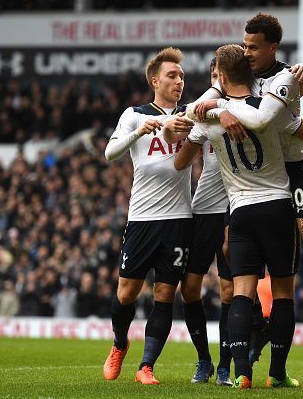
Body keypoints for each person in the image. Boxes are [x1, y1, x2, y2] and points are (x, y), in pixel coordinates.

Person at [194, 13, 303, 358]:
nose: (247, 51)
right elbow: (200, 104)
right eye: (244, 45)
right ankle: (258, 323)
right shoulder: (240, 76)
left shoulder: (286, 77)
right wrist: (218, 109)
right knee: (228, 248)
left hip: (291, 166)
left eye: (253, 46)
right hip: (255, 174)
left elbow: (292, 124)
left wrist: (222, 107)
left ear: (273, 47)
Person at [174, 44, 303, 389]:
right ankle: (277, 373)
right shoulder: (270, 108)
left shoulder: (209, 118)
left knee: (241, 292)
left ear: (221, 78)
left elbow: (182, 162)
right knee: (283, 292)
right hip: (277, 206)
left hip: (239, 212)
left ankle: (242, 373)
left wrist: (209, 114)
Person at [102, 47, 196, 385]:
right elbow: (110, 152)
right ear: (155, 80)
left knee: (165, 294)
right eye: (172, 75)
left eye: (182, 76)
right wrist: (142, 131)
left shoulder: (190, 114)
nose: (179, 81)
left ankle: (147, 366)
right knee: (126, 292)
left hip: (179, 219)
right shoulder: (135, 114)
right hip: (142, 218)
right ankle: (119, 344)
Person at [176, 58, 233, 386]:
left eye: (221, 76)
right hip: (205, 206)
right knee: (191, 288)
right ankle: (203, 360)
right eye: (213, 76)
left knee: (229, 290)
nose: (217, 81)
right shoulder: (204, 108)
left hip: (237, 204)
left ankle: (225, 365)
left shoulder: (245, 107)